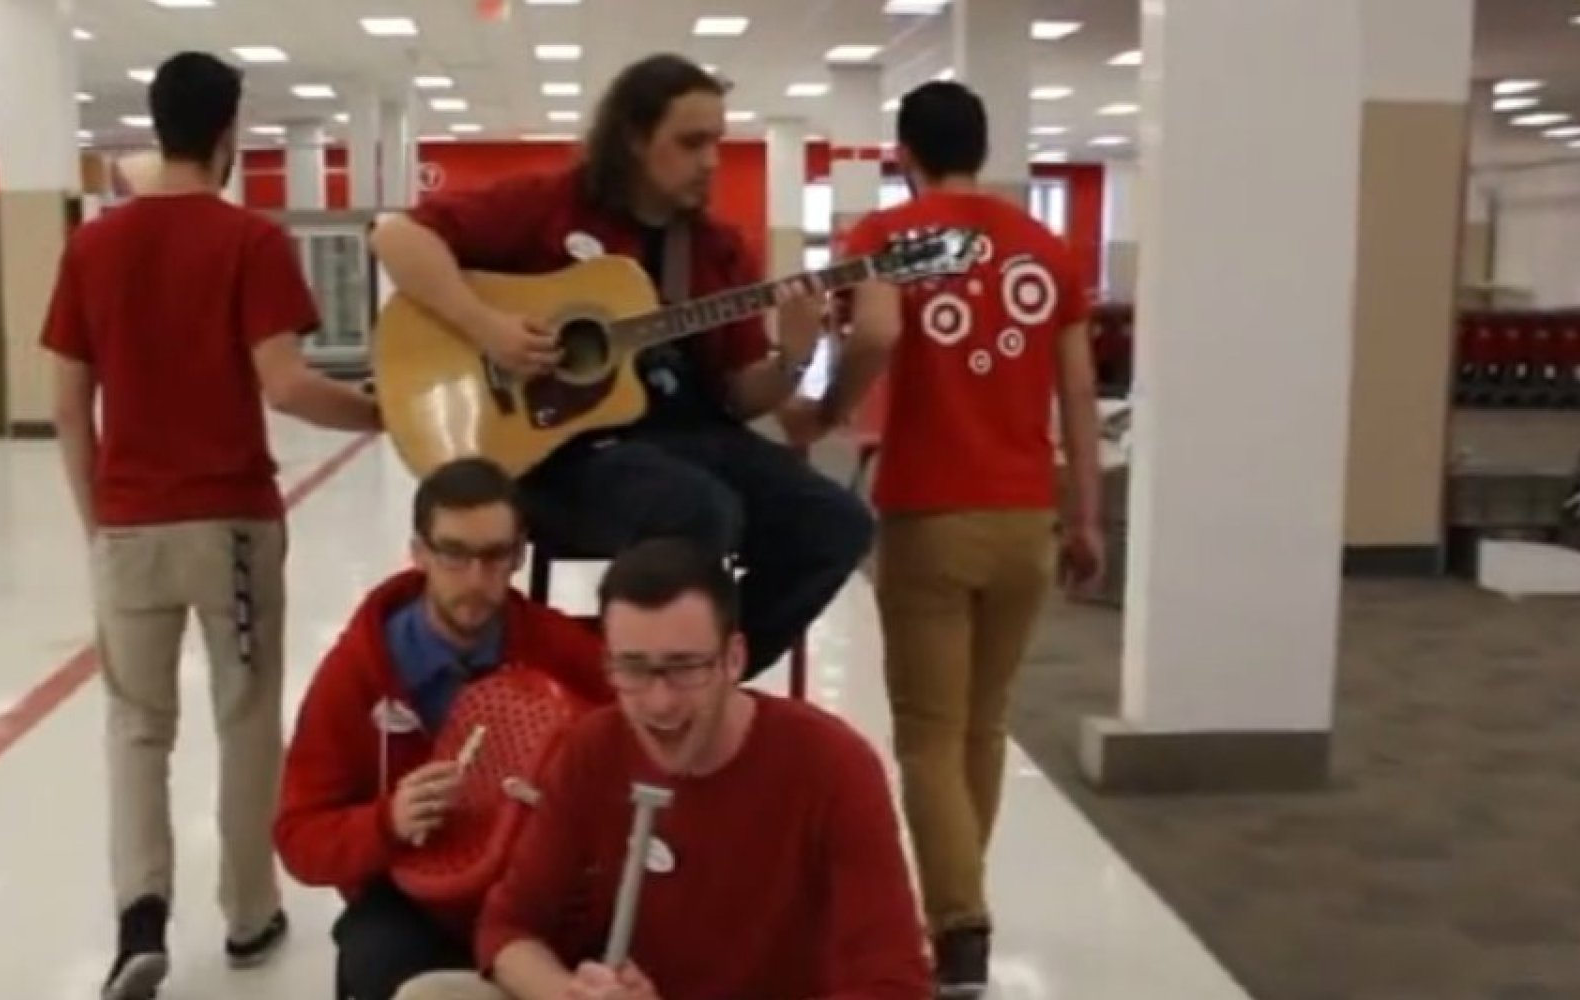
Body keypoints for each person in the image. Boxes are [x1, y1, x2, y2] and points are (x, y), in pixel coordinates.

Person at [39, 50, 381, 1000]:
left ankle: (140, 918)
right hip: (231, 526)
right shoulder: (249, 241)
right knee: (245, 719)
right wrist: (381, 413)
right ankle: (248, 913)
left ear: (157, 127)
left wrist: (99, 523)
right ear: (230, 131)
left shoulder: (92, 247)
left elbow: (67, 406)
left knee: (135, 728)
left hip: (129, 530)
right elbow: (288, 385)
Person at [368, 53, 873, 682]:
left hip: (690, 439)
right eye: (690, 142)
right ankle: (621, 677)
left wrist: (793, 358)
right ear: (634, 136)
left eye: (716, 142)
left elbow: (738, 396)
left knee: (836, 522)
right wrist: (487, 328)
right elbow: (396, 237)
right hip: (561, 455)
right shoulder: (551, 205)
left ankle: (704, 673)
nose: (711, 161)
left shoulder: (716, 249)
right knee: (700, 512)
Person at [785, 80, 1107, 994]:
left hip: (930, 514)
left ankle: (960, 930)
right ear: (984, 147)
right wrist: (1087, 516)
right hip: (1026, 518)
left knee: (929, 734)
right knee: (983, 723)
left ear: (904, 154)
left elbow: (876, 333)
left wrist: (827, 411)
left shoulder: (887, 237)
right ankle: (956, 903)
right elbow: (1079, 395)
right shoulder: (1047, 248)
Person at [394, 537, 932, 1000]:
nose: (659, 703)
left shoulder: (832, 766)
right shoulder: (594, 749)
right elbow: (509, 926)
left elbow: (894, 984)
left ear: (734, 659)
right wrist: (570, 994)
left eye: (684, 667)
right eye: (633, 669)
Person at [274, 457, 616, 1000]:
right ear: (419, 552)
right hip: (412, 901)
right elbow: (298, 838)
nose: (476, 581)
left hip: (535, 890)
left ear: (520, 555)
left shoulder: (558, 648)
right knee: (379, 963)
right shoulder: (359, 673)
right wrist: (386, 821)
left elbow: (646, 750)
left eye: (495, 556)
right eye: (454, 554)